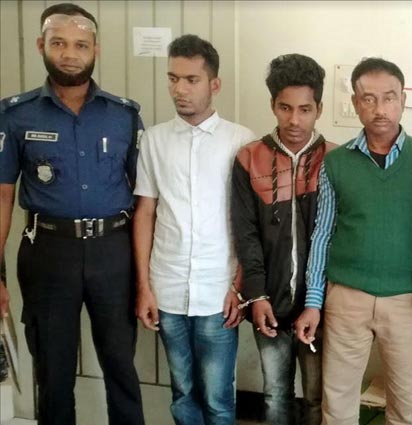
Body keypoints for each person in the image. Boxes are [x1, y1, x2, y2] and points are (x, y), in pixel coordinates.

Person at [0, 3, 145, 424]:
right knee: (53, 369)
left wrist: (146, 274)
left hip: (113, 252)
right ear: (41, 45)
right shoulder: (16, 115)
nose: (69, 54)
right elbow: (3, 196)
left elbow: (145, 200)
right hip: (48, 253)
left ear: (95, 50)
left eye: (81, 45)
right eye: (59, 43)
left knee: (121, 364)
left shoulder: (124, 116)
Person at [294, 57, 412, 425]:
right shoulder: (336, 163)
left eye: (389, 98)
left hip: (405, 300)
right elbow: (323, 234)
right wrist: (313, 302)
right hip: (346, 298)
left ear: (403, 100)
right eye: (368, 99)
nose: (379, 109)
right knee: (338, 405)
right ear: (356, 103)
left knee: (405, 407)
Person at [133, 34, 254, 425]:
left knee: (218, 398)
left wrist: (240, 286)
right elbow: (145, 213)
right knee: (183, 392)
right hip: (167, 288)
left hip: (219, 291)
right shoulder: (153, 140)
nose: (179, 89)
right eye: (173, 78)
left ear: (214, 84)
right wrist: (144, 287)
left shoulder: (240, 141)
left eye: (191, 80)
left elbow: (248, 222)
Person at [230, 53, 332, 425]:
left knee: (318, 397)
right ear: (272, 104)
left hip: (322, 307)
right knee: (275, 395)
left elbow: (335, 237)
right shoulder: (249, 158)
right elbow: (246, 234)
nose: (294, 120)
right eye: (285, 108)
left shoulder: (336, 160)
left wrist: (321, 302)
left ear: (319, 109)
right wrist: (256, 296)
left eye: (305, 109)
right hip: (268, 302)